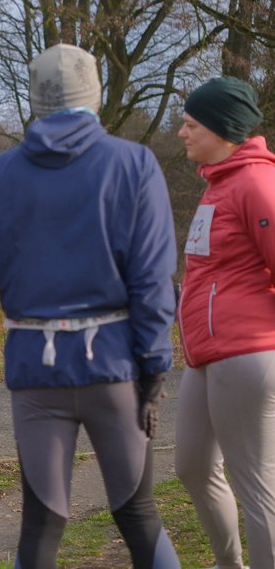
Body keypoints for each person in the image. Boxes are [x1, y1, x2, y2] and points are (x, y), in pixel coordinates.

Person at [0, 44, 180, 568]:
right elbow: (153, 280)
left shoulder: (0, 174)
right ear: (95, 95)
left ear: (36, 101)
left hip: (35, 371)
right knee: (139, 515)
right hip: (114, 369)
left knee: (42, 523)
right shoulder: (134, 164)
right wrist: (155, 369)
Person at [174, 76, 274, 569]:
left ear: (220, 129)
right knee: (191, 465)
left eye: (191, 124)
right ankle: (228, 563)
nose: (181, 132)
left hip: (246, 353)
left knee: (255, 484)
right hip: (205, 355)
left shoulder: (257, 183)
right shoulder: (218, 185)